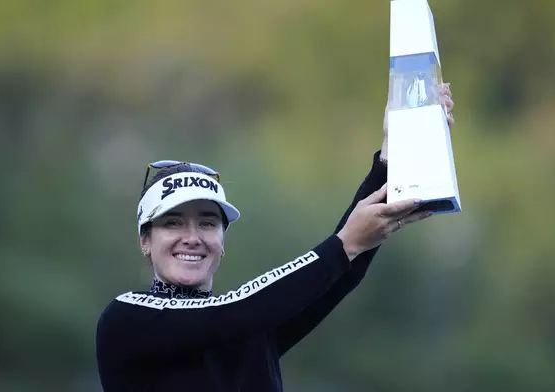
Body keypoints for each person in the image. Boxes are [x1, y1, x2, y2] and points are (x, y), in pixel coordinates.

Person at [95, 85, 455, 391]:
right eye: (173, 223)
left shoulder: (248, 328)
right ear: (145, 241)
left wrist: (391, 162)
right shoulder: (128, 319)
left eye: (207, 223)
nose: (192, 237)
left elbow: (335, 276)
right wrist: (344, 243)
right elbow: (238, 309)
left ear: (222, 239)